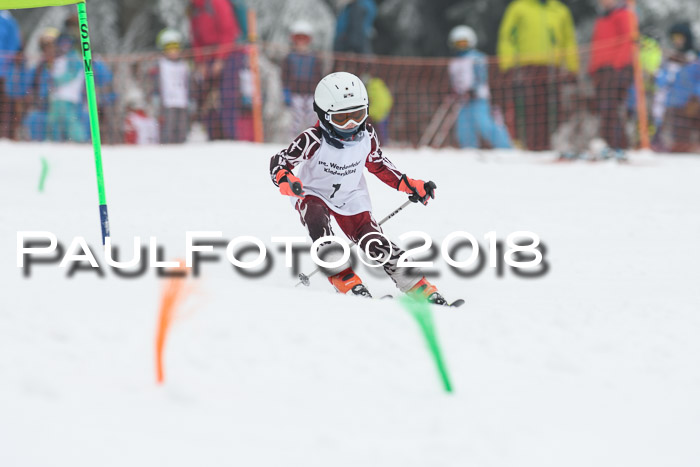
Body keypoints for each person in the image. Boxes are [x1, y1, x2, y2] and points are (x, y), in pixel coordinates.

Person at [269, 71, 451, 305]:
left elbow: (379, 165)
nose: (352, 125)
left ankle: (417, 285)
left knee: (373, 240)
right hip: (313, 193)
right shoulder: (312, 139)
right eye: (342, 118)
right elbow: (280, 161)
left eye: (358, 115)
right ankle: (344, 278)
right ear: (324, 116)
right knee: (316, 220)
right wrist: (285, 179)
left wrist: (408, 184)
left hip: (351, 196)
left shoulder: (367, 136)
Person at [497, 0, 579, 151]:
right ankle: (530, 145)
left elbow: (569, 41)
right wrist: (507, 64)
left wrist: (572, 68)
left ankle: (548, 145)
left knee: (552, 108)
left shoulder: (560, 10)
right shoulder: (519, 8)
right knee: (529, 107)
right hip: (527, 66)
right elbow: (507, 37)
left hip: (552, 67)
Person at [448, 26, 511, 149]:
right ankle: (468, 150)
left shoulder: (477, 58)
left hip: (478, 99)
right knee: (464, 128)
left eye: (464, 43)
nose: (461, 46)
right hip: (463, 101)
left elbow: (481, 76)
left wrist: (473, 90)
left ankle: (504, 147)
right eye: (458, 44)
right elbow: (454, 81)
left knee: (484, 125)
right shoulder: (454, 62)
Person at [588, 0, 635, 160]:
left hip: (617, 69)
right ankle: (610, 144)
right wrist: (592, 68)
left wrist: (617, 66)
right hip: (601, 70)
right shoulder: (601, 19)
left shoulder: (624, 15)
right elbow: (596, 45)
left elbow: (627, 41)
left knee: (610, 108)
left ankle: (618, 145)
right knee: (604, 109)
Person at [189, 0, 241, 140]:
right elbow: (195, 38)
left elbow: (228, 31)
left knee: (227, 96)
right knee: (206, 97)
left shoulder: (218, 3)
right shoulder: (194, 7)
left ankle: (230, 136)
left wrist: (220, 59)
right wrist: (200, 62)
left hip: (228, 53)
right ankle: (212, 136)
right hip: (208, 56)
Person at [653, 23, 699, 152]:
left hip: (693, 104)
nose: (677, 41)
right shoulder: (670, 60)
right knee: (680, 142)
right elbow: (662, 82)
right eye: (674, 38)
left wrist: (696, 96)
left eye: (679, 37)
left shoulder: (695, 58)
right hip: (675, 105)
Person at [282, 20, 322, 138]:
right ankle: (294, 141)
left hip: (311, 94)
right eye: (298, 39)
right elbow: (284, 77)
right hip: (295, 94)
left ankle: (313, 139)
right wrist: (286, 92)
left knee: (312, 118)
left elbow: (319, 76)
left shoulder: (315, 58)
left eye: (303, 39)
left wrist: (319, 94)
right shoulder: (289, 58)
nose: (301, 42)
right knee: (296, 120)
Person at [151, 28, 190, 144]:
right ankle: (166, 148)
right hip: (167, 102)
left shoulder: (185, 65)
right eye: (169, 48)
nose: (173, 52)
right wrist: (155, 96)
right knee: (168, 127)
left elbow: (188, 82)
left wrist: (191, 98)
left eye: (175, 48)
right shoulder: (160, 65)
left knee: (182, 127)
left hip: (182, 101)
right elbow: (154, 82)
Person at [48, 33, 87, 142]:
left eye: (67, 43)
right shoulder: (60, 57)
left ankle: (80, 141)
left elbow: (72, 73)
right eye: (62, 43)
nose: (64, 45)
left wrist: (56, 81)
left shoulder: (74, 57)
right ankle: (54, 142)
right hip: (57, 96)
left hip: (68, 95)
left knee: (70, 120)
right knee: (54, 120)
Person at [23, 27, 57, 141]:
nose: (50, 49)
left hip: (63, 109)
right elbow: (28, 88)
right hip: (42, 109)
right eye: (46, 46)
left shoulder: (68, 64)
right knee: (34, 120)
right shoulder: (38, 68)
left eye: (52, 45)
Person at [0, 10, 21, 139]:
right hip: (5, 69)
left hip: (4, 72)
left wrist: (5, 66)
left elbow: (14, 45)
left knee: (6, 103)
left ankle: (6, 134)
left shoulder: (8, 20)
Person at [364, 74, 392, 145]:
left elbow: (375, 101)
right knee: (383, 127)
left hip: (378, 110)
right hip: (386, 108)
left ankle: (381, 142)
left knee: (379, 128)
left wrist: (369, 111)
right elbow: (388, 98)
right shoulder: (379, 85)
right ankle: (385, 141)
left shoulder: (370, 89)